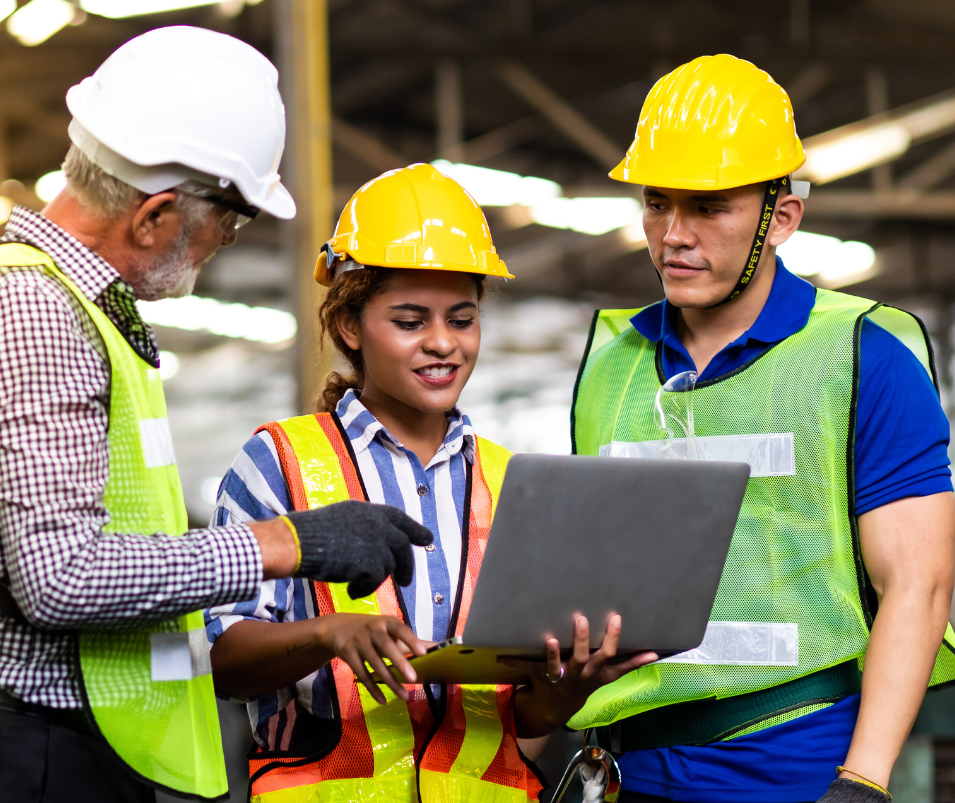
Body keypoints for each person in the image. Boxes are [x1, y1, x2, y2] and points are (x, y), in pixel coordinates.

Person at [0, 27, 434, 803]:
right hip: (18, 758)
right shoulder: (34, 311)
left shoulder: (67, 306)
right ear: (155, 215)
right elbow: (62, 577)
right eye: (230, 222)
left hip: (35, 744)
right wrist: (286, 543)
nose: (223, 244)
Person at [568, 54, 955, 803]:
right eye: (657, 203)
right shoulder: (610, 362)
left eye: (708, 206)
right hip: (625, 770)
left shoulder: (861, 355)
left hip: (793, 768)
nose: (672, 235)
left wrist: (864, 781)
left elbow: (918, 581)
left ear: (782, 217)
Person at [204, 163, 656, 803]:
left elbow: (516, 722)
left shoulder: (511, 483)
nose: (443, 344)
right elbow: (223, 659)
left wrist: (564, 692)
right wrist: (329, 635)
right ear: (349, 326)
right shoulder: (278, 461)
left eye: (463, 319)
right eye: (411, 321)